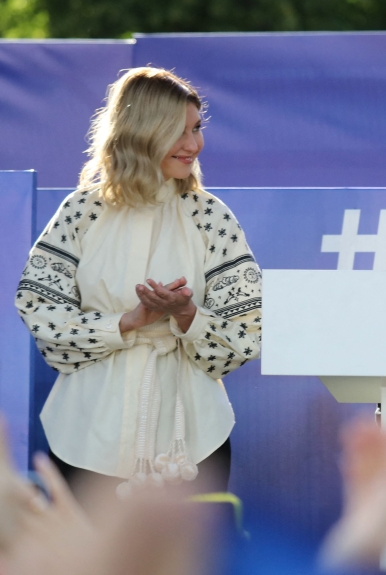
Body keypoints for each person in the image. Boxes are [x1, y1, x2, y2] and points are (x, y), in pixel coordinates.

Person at [14, 67, 262, 501]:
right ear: (141, 132)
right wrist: (126, 322)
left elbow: (247, 330)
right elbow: (40, 310)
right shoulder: (82, 212)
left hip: (193, 440)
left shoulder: (210, 216)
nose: (194, 144)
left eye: (197, 128)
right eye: (178, 131)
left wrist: (186, 315)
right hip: (85, 433)